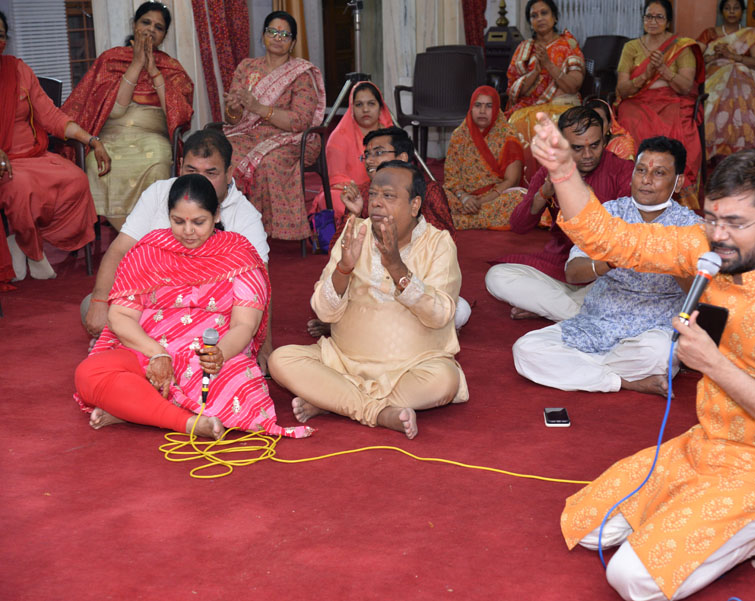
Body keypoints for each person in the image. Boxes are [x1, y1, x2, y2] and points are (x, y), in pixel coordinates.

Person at [530, 111, 755, 600]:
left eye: (735, 223)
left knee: (630, 578)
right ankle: (728, 523)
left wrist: (714, 365)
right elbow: (610, 237)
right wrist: (562, 171)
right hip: (711, 441)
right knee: (589, 525)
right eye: (712, 218)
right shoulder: (708, 246)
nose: (719, 235)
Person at [74, 174, 312, 441]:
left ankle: (135, 408)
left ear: (217, 215)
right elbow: (120, 316)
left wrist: (219, 354)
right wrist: (157, 353)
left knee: (239, 392)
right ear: (168, 216)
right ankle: (187, 423)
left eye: (198, 222)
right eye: (178, 221)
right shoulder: (148, 251)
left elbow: (245, 325)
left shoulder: (239, 256)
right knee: (88, 375)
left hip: (209, 358)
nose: (188, 231)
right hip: (147, 352)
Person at [268, 161, 468, 440]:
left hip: (411, 368)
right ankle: (378, 412)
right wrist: (343, 269)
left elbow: (441, 314)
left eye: (388, 196)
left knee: (444, 380)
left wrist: (397, 268)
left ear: (414, 205)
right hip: (342, 362)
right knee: (280, 360)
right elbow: (324, 312)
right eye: (373, 194)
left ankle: (336, 401)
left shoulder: (438, 244)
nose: (375, 203)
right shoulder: (354, 233)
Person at [512, 136, 699, 397]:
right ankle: (625, 381)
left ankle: (582, 369)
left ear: (678, 181)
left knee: (659, 354)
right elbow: (572, 272)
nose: (646, 180)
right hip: (597, 323)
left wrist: (668, 258)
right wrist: (610, 260)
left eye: (659, 173)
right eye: (641, 170)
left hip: (651, 332)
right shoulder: (608, 214)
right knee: (525, 350)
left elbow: (700, 296)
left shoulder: (692, 227)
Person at [81, 129, 269, 351]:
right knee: (93, 307)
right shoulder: (159, 193)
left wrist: (264, 347)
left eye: (211, 173)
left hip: (209, 317)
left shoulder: (246, 216)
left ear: (228, 173)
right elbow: (120, 249)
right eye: (191, 170)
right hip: (153, 308)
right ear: (180, 166)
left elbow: (258, 285)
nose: (199, 180)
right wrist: (100, 301)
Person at [307, 126, 469, 335]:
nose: (370, 160)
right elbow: (337, 251)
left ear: (402, 157)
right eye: (367, 154)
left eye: (378, 153)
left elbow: (445, 242)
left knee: (459, 309)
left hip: (416, 276)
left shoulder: (429, 191)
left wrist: (403, 234)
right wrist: (354, 214)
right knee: (329, 295)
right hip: (371, 286)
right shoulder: (364, 191)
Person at [485, 106, 632, 321]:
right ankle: (576, 312)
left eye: (595, 145)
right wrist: (545, 192)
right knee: (497, 277)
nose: (588, 155)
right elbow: (518, 225)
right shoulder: (550, 170)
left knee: (627, 284)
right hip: (558, 268)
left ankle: (549, 307)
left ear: (604, 139)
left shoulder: (623, 171)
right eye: (577, 148)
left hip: (602, 272)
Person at [0, 10, 111, 282]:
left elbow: (51, 116)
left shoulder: (18, 70)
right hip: (6, 163)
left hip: (33, 155)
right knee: (21, 186)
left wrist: (92, 140)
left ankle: (22, 240)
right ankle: (33, 250)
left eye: (0, 35)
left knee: (76, 180)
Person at [62, 1, 193, 229]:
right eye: (146, 22)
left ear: (164, 35)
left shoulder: (172, 68)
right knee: (96, 163)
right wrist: (136, 64)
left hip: (152, 137)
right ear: (134, 25)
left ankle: (146, 234)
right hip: (111, 137)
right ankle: (132, 237)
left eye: (158, 27)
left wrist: (153, 71)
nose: (151, 30)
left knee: (159, 160)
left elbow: (178, 115)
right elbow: (116, 111)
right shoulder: (111, 60)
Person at [224, 11, 325, 241]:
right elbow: (232, 119)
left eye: (285, 34)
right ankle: (229, 225)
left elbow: (300, 121)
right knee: (222, 155)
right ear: (263, 36)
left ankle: (265, 230)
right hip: (248, 134)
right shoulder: (247, 67)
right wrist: (233, 108)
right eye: (272, 32)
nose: (278, 38)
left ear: (293, 43)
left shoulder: (300, 74)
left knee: (268, 163)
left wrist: (259, 108)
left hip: (291, 138)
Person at [616, 0, 703, 209]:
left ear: (668, 21)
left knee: (677, 122)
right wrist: (646, 75)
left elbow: (685, 87)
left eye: (659, 17)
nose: (652, 21)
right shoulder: (631, 47)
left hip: (672, 99)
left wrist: (664, 70)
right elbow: (622, 89)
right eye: (648, 16)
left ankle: (672, 189)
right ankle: (633, 185)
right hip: (638, 100)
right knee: (627, 113)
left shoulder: (681, 47)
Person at [697, 0, 755, 161]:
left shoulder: (750, 35)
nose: (732, 12)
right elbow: (695, 58)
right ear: (722, 12)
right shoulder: (709, 33)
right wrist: (714, 57)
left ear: (742, 12)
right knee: (719, 90)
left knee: (738, 80)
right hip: (714, 75)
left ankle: (741, 149)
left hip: (741, 76)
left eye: (736, 8)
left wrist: (733, 56)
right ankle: (714, 148)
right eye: (727, 8)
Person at [444, 86, 525, 230]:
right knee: (435, 194)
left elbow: (511, 180)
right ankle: (474, 217)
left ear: (496, 109)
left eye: (488, 106)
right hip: (462, 198)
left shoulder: (508, 136)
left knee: (518, 199)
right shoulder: (459, 135)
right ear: (471, 108)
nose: (482, 111)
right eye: (478, 105)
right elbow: (451, 179)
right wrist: (464, 197)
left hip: (494, 197)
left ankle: (461, 220)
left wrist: (481, 201)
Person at [505, 0, 585, 146]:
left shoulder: (568, 45)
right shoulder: (523, 49)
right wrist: (535, 72)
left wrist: (548, 65)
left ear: (554, 17)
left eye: (544, 13)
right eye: (534, 15)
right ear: (530, 23)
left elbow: (574, 86)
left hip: (561, 105)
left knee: (552, 126)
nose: (540, 18)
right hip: (527, 108)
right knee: (515, 125)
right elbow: (513, 91)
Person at [311, 81, 393, 219]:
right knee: (332, 198)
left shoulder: (390, 135)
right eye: (359, 104)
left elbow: (400, 169)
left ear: (380, 108)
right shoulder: (339, 137)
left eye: (371, 104)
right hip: (352, 191)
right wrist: (356, 191)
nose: (365, 109)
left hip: (386, 188)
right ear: (351, 108)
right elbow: (335, 178)